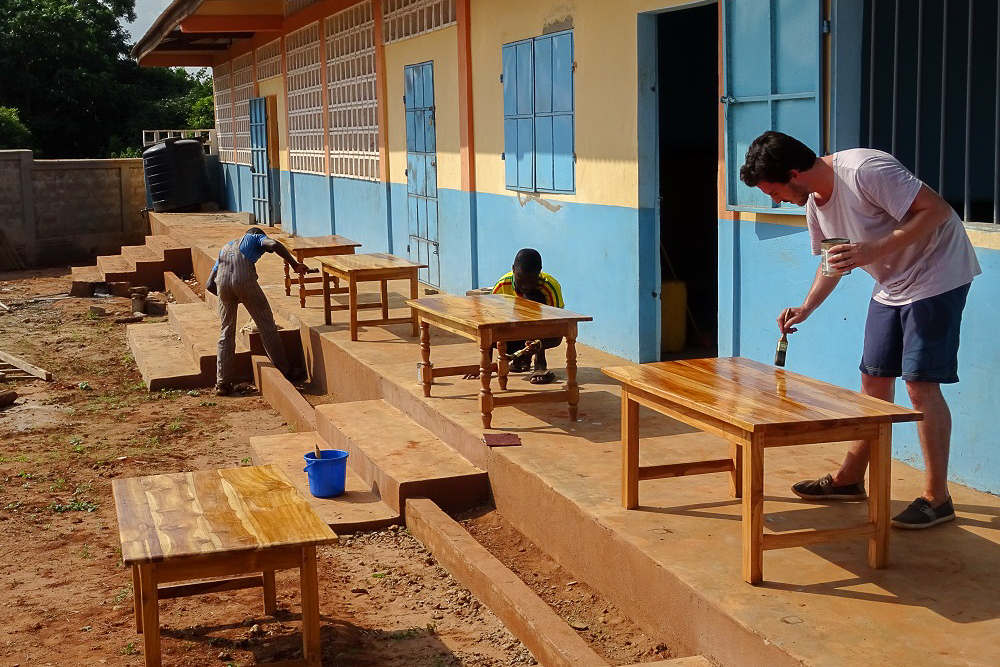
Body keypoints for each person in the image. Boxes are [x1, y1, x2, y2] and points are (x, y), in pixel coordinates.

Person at [740, 130, 981, 530]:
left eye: (776, 191)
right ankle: (850, 480)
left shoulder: (865, 170)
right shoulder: (815, 204)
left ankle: (938, 498)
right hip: (892, 285)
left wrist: (874, 250)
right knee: (873, 380)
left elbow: (937, 210)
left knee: (919, 384)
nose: (776, 200)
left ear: (795, 172)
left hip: (938, 273)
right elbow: (833, 262)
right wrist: (806, 307)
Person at [205, 227, 309, 396]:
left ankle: (222, 383)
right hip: (244, 280)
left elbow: (210, 285)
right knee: (266, 323)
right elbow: (274, 244)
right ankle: (284, 370)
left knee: (226, 330)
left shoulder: (225, 247)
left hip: (222, 285)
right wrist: (294, 264)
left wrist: (232, 296)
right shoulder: (254, 238)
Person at [488, 248, 565, 384]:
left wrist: (539, 344)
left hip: (541, 334)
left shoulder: (550, 287)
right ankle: (521, 358)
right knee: (489, 331)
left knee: (533, 298)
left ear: (539, 272)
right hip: (513, 332)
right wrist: (485, 366)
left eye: (531, 282)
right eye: (520, 280)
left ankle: (540, 364)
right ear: (512, 269)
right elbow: (489, 323)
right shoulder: (502, 285)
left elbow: (559, 327)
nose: (525, 286)